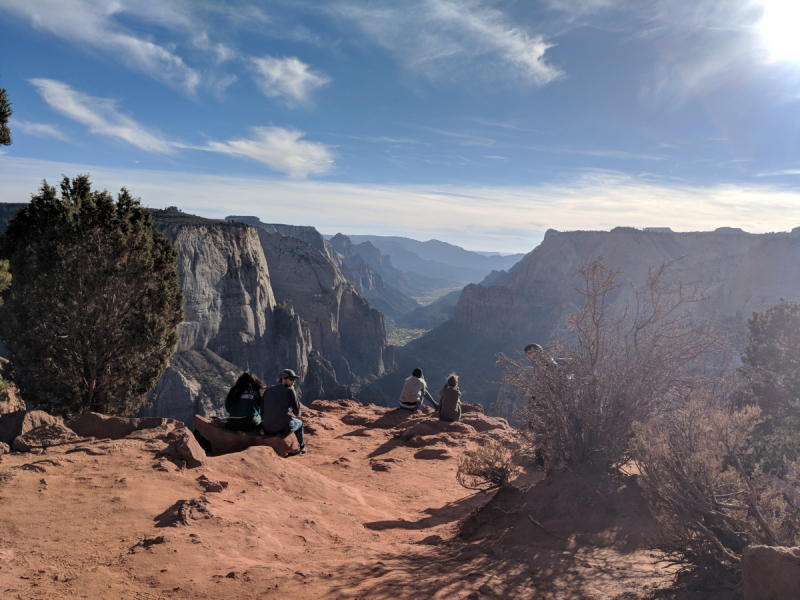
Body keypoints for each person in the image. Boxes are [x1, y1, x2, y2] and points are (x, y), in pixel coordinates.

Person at [260, 368, 306, 455]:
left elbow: (262, 411)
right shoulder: (290, 390)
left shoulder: (268, 390)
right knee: (299, 423)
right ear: (283, 378)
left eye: (294, 379)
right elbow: (297, 412)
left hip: (266, 428)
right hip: (283, 428)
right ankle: (302, 447)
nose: (293, 382)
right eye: (291, 379)